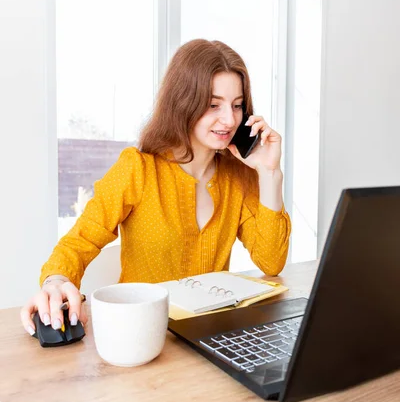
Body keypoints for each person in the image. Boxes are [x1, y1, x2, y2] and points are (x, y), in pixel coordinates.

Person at [20, 39, 291, 336]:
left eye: (237, 106)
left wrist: (269, 173)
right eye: (214, 105)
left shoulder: (239, 176)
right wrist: (55, 282)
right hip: (143, 334)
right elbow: (79, 241)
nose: (229, 119)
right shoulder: (138, 168)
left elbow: (271, 261)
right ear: (184, 102)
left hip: (210, 336)